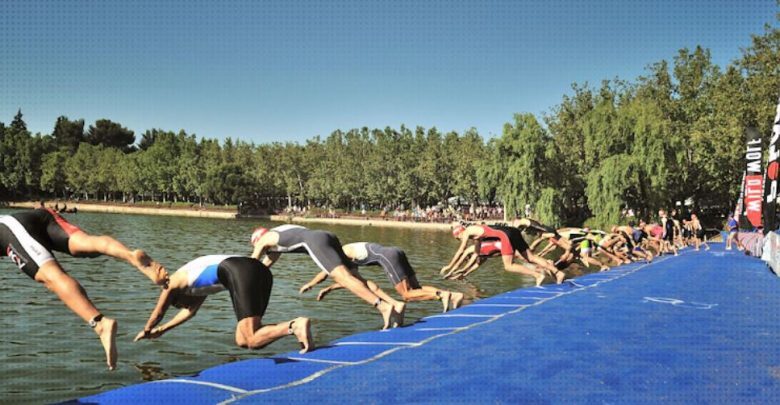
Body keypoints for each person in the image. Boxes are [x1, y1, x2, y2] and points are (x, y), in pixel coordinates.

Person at [0, 207, 168, 370]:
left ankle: (100, 323)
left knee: (51, 276)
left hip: (11, 230)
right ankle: (130, 255)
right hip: (39, 216)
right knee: (87, 245)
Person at [134, 255, 313, 353]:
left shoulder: (171, 283)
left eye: (179, 305)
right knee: (243, 340)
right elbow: (190, 312)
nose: (183, 306)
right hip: (259, 270)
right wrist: (162, 331)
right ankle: (294, 328)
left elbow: (158, 313)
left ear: (177, 298)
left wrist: (147, 329)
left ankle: (294, 325)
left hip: (238, 270)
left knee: (251, 338)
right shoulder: (196, 289)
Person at [250, 224, 402, 329]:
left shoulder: (263, 239)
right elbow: (263, 267)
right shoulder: (278, 234)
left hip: (314, 241)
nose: (264, 251)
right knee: (355, 277)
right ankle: (395, 306)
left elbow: (251, 265)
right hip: (327, 236)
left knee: (344, 278)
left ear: (257, 239)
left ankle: (383, 306)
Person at [301, 242, 464, 312]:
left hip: (388, 257)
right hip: (396, 251)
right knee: (417, 289)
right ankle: (454, 295)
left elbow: (326, 272)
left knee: (406, 295)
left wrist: (311, 284)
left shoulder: (341, 254)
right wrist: (329, 288)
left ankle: (441, 295)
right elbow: (355, 283)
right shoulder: (348, 252)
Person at [442, 222, 564, 286]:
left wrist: (449, 267)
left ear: (458, 235)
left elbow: (461, 251)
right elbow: (476, 254)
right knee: (531, 257)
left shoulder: (467, 231)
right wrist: (462, 271)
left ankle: (537, 275)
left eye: (459, 238)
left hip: (504, 236)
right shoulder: (476, 235)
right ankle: (558, 273)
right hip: (512, 231)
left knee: (508, 266)